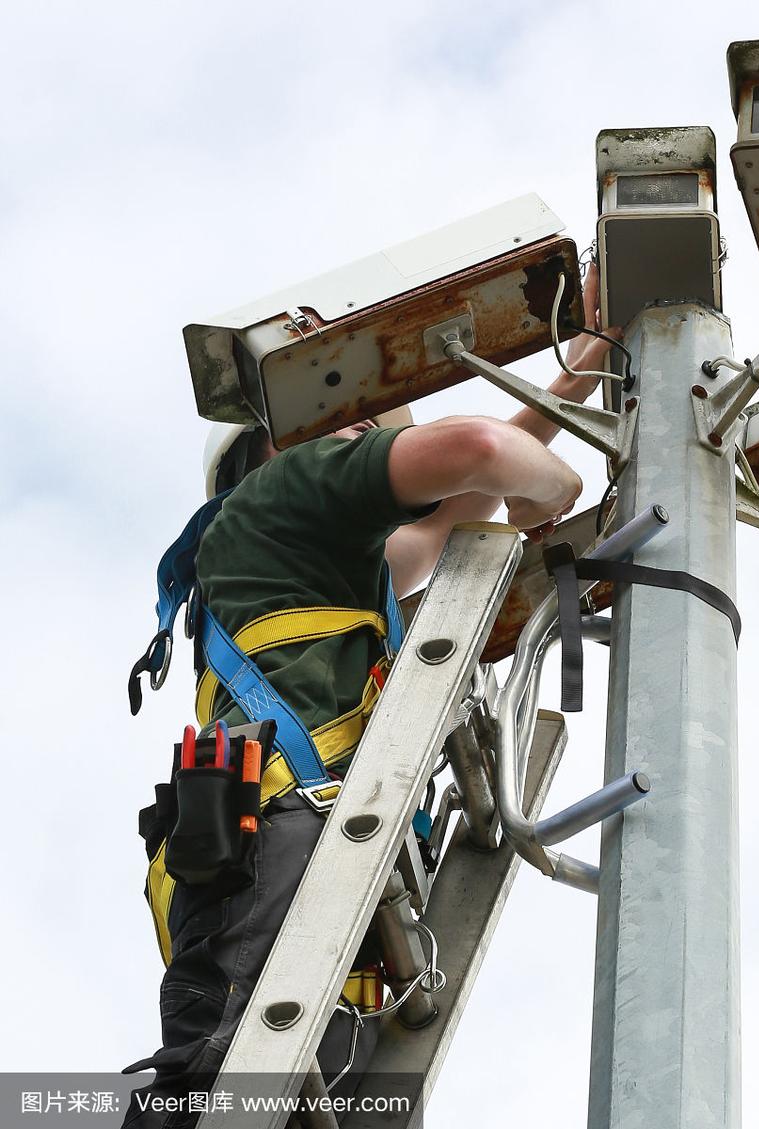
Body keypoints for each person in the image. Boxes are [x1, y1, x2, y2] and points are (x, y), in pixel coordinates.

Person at [122, 268, 616, 1127]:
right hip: (274, 847)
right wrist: (562, 491)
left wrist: (578, 371)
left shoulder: (320, 563)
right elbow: (484, 457)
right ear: (265, 448)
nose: (356, 429)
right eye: (336, 418)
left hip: (305, 881)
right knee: (216, 1092)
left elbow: (464, 499)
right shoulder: (281, 496)